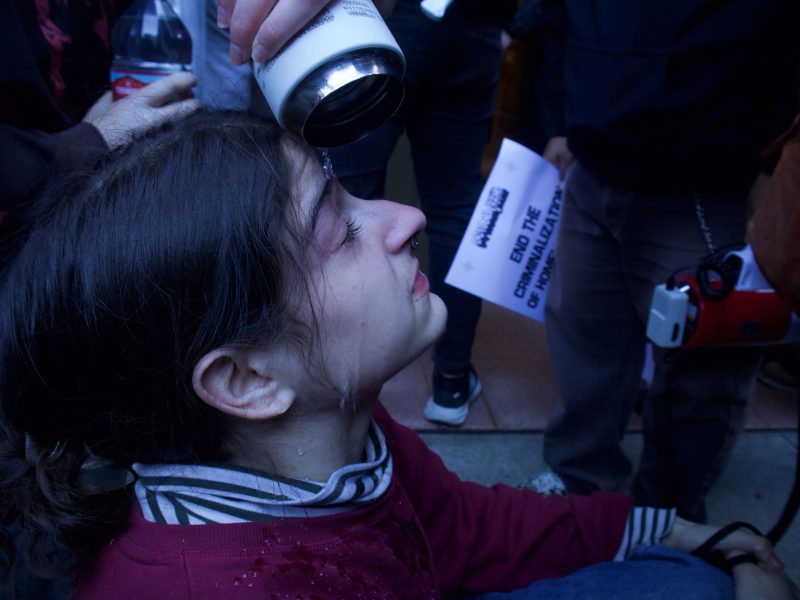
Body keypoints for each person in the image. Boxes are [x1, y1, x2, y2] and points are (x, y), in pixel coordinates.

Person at [0, 110, 792, 599]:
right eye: (340, 233)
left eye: (347, 192)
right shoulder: (209, 585)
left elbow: (465, 527)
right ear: (246, 379)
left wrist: (682, 533)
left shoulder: (336, 432)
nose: (407, 217)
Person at [530, 0, 800, 523]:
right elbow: (559, 21)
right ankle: (579, 481)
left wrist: (770, 165)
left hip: (705, 183)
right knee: (585, 339)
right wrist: (560, 120)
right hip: (594, 167)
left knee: (702, 375)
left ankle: (668, 513)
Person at [329, 0, 514, 426]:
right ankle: (451, 380)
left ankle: (350, 376)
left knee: (351, 198)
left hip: (383, 17)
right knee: (455, 209)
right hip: (473, 25)